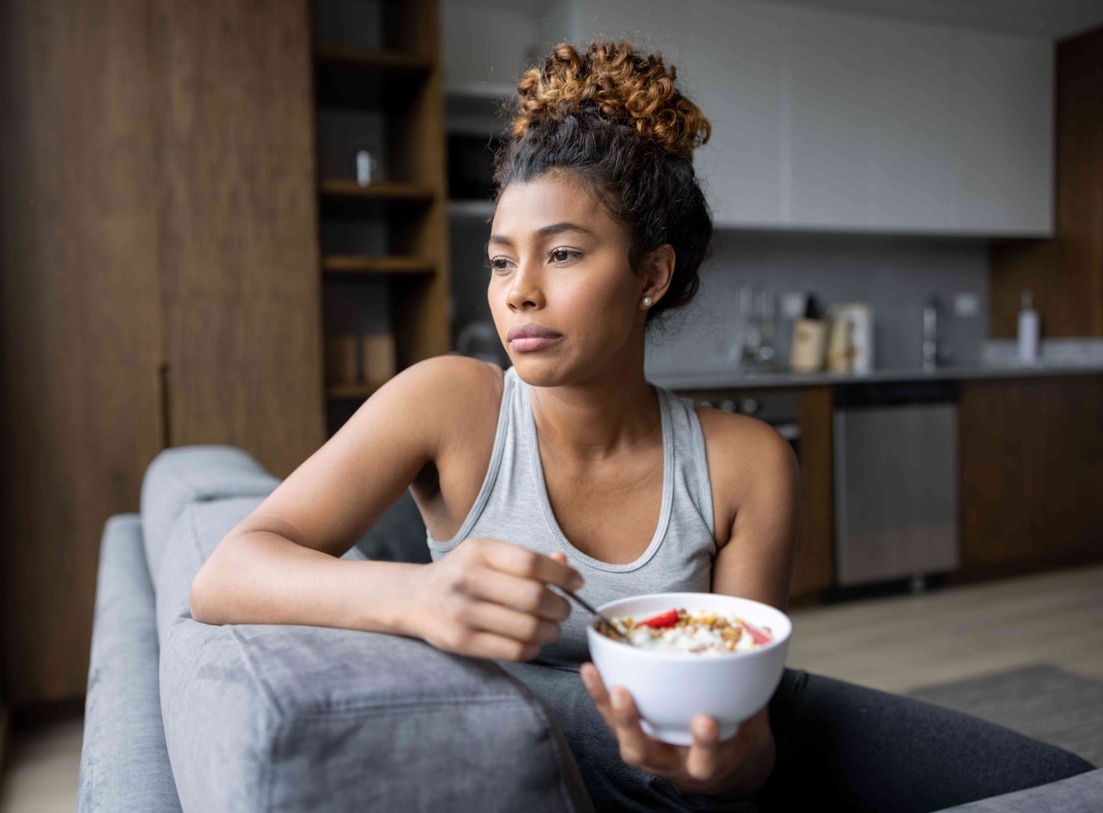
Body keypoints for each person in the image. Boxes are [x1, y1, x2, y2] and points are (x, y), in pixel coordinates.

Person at [191, 41, 1093, 811]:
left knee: (1060, 781)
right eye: (503, 259)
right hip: (575, 760)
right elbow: (226, 572)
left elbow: (751, 738)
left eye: (565, 253)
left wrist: (725, 762)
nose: (518, 290)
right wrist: (415, 598)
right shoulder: (450, 404)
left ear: (651, 274)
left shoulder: (745, 465)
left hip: (713, 771)